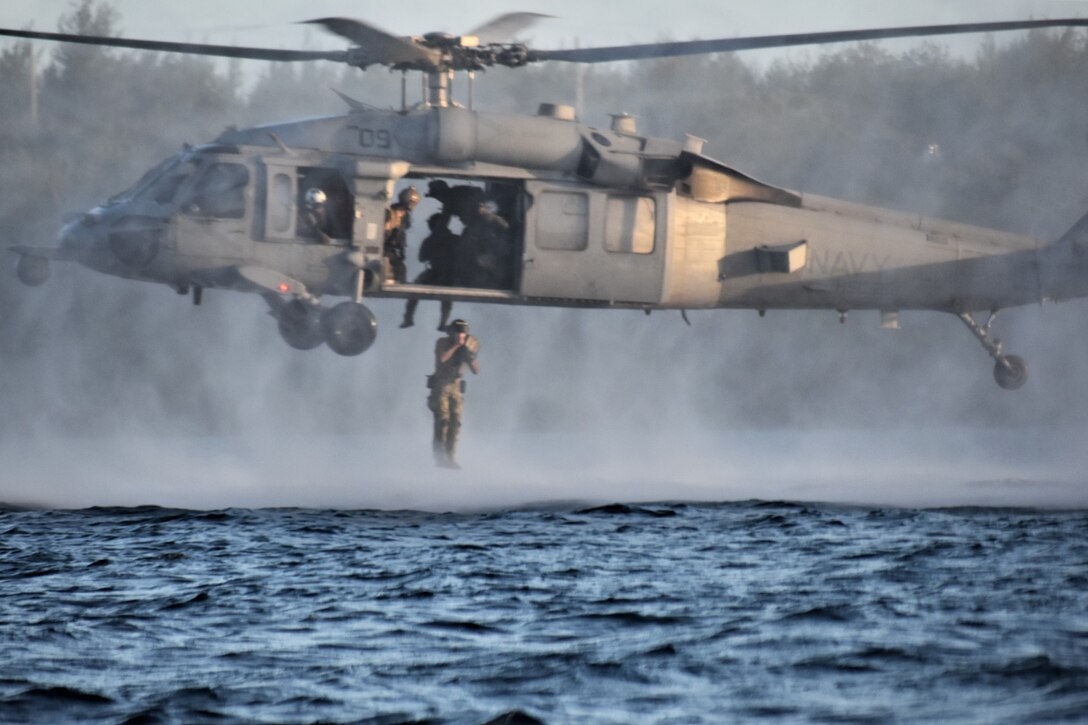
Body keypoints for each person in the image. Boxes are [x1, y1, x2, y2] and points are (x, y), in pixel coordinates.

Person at [428, 319, 480, 469]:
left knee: (455, 423)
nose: (461, 336)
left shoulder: (468, 346)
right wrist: (456, 346)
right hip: (442, 384)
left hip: (456, 387)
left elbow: (476, 370)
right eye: (458, 333)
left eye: (463, 334)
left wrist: (470, 357)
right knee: (443, 420)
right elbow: (442, 359)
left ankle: (450, 457)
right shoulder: (443, 343)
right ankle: (440, 457)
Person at [401, 213, 457, 330]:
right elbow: (422, 258)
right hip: (438, 273)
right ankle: (409, 318)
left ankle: (410, 317)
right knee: (416, 289)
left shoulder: (434, 240)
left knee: (447, 295)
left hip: (446, 274)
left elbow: (422, 258)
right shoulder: (448, 239)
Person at [383, 186, 420, 283]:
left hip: (394, 249)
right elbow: (386, 233)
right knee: (399, 268)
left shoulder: (405, 217)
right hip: (385, 248)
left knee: (400, 267)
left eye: (414, 203)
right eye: (412, 202)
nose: (413, 205)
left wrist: (400, 249)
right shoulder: (390, 214)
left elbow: (401, 234)